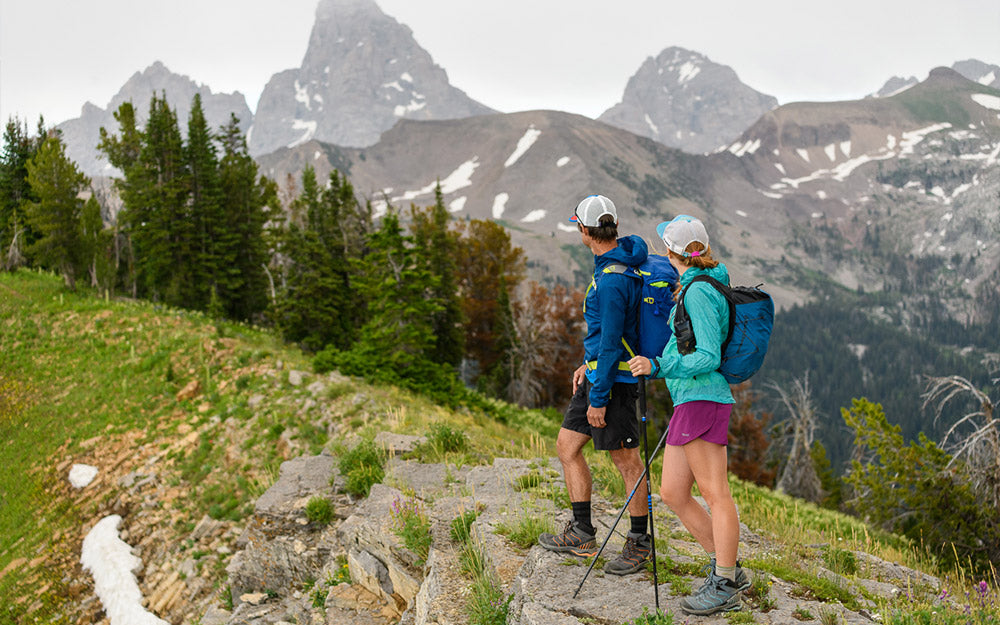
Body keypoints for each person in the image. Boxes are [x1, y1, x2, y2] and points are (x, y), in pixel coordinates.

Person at [626, 214, 750, 615]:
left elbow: (707, 355)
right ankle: (726, 565)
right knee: (673, 492)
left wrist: (660, 367)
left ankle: (726, 581)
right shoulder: (706, 281)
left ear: (671, 251)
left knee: (716, 492)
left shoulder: (697, 292)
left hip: (702, 399)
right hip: (691, 400)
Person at [537, 194, 652, 576]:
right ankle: (582, 532)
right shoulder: (613, 264)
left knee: (627, 462)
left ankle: (640, 543)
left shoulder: (613, 279)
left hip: (614, 384)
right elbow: (605, 335)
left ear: (585, 230)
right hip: (599, 374)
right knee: (567, 446)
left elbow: (612, 339)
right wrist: (586, 366)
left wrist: (598, 397)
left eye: (578, 226)